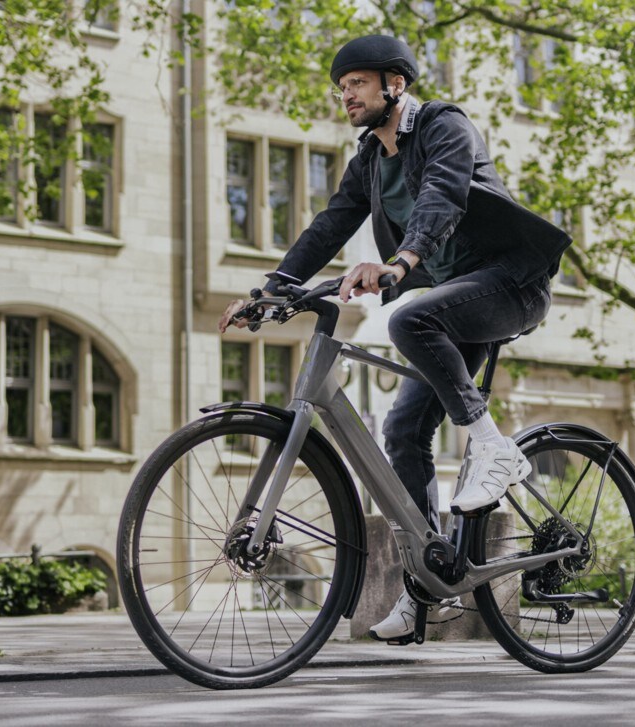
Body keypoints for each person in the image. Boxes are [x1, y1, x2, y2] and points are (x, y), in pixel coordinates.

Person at [219, 34, 571, 642]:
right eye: (342, 87)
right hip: (454, 300)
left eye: (356, 83)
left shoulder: (445, 126)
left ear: (395, 85)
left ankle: (492, 447)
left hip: (511, 283)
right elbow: (331, 223)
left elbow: (444, 194)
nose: (346, 95)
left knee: (407, 318)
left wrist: (400, 262)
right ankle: (424, 583)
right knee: (402, 432)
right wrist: (271, 289)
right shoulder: (370, 161)